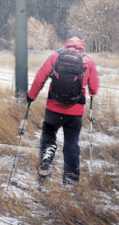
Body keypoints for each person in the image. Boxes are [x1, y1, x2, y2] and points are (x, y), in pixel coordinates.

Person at [27, 30, 99, 186]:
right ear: (82, 42)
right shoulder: (88, 61)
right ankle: (71, 178)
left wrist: (31, 96)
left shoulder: (55, 57)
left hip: (53, 108)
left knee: (48, 134)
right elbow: (94, 86)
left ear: (67, 42)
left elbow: (40, 78)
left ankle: (46, 162)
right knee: (71, 142)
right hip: (75, 111)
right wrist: (92, 93)